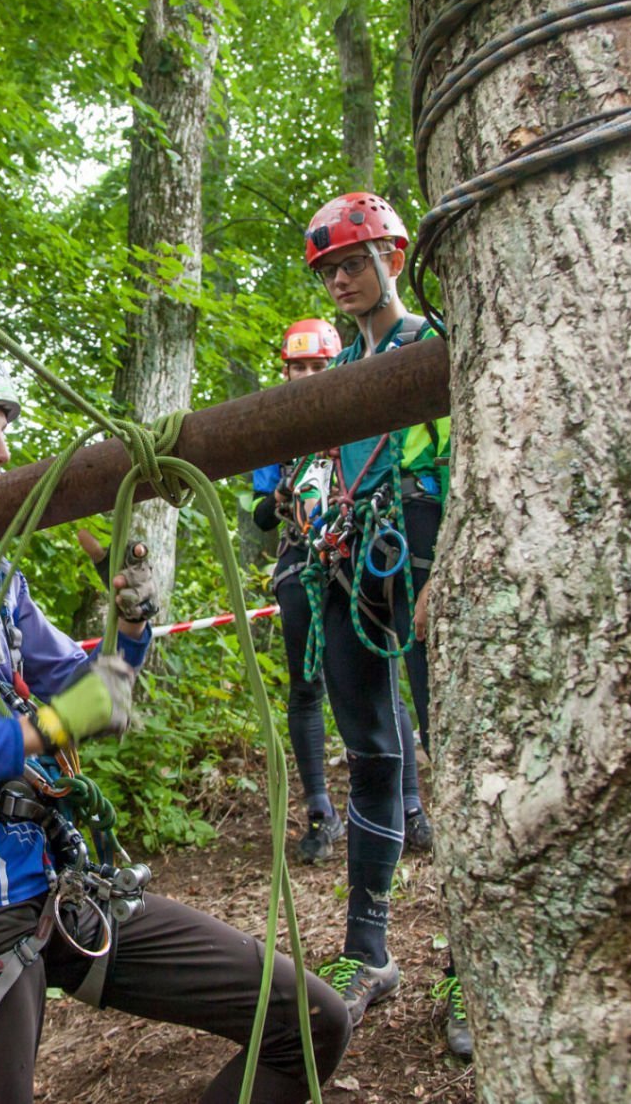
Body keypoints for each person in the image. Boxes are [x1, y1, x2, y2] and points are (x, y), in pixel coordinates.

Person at [0, 333, 351, 1103]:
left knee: (309, 1020)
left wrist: (129, 630)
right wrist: (38, 730)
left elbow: (89, 686)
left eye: (2, 428)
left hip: (59, 875)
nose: (3, 450)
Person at [296, 192, 466, 1055]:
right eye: (329, 271)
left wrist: (449, 567)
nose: (341, 281)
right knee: (370, 753)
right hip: (351, 560)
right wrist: (316, 514)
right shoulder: (335, 376)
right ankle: (368, 950)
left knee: (453, 753)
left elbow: (466, 451)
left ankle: (472, 966)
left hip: (422, 547)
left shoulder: (437, 343)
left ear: (392, 258)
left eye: (353, 263)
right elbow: (318, 466)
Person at [251, 321, 434, 863]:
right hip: (301, 556)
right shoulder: (275, 426)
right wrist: (282, 496)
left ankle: (409, 806)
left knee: (382, 672)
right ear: (286, 371)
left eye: (317, 365)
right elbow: (260, 510)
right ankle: (320, 812)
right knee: (306, 685)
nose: (308, 375)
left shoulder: (355, 406)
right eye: (298, 367)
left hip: (355, 545)